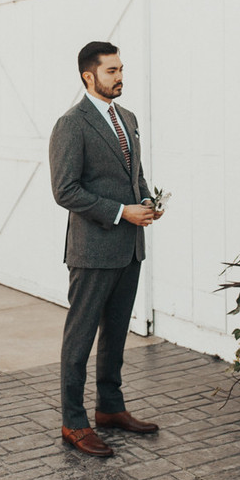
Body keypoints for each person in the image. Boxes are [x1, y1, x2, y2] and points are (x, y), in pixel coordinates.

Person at [49, 41, 164, 457]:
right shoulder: (71, 124)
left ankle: (110, 409)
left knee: (115, 335)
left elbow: (136, 175)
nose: (120, 77)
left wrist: (148, 202)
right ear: (88, 76)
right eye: (112, 71)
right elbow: (65, 191)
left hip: (130, 249)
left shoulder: (127, 118)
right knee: (79, 339)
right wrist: (121, 213)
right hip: (92, 250)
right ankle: (73, 422)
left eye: (121, 69)